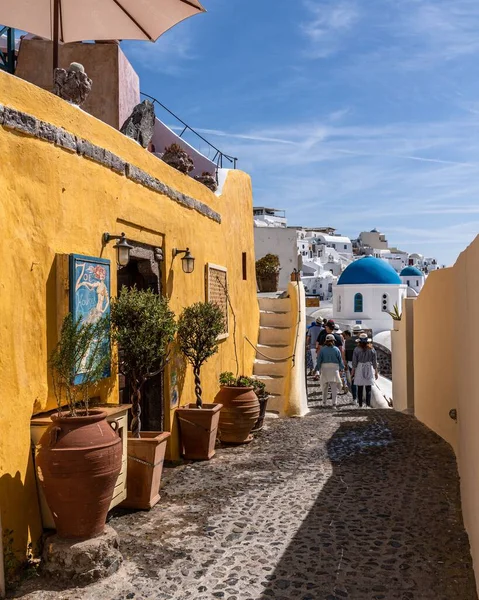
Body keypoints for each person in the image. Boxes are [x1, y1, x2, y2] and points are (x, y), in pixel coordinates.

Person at [317, 333, 344, 408]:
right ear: (333, 341)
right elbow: (340, 360)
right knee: (334, 387)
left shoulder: (322, 350)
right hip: (334, 369)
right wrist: (342, 368)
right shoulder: (336, 349)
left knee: (324, 387)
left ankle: (324, 403)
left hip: (324, 369)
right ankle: (334, 404)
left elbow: (319, 360)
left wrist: (316, 369)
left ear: (326, 341)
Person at [351, 333, 379, 407]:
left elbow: (354, 362)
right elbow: (374, 361)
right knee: (368, 388)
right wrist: (376, 372)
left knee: (360, 388)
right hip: (369, 367)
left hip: (360, 368)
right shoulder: (372, 349)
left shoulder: (356, 349)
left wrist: (353, 371)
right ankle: (368, 404)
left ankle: (360, 404)